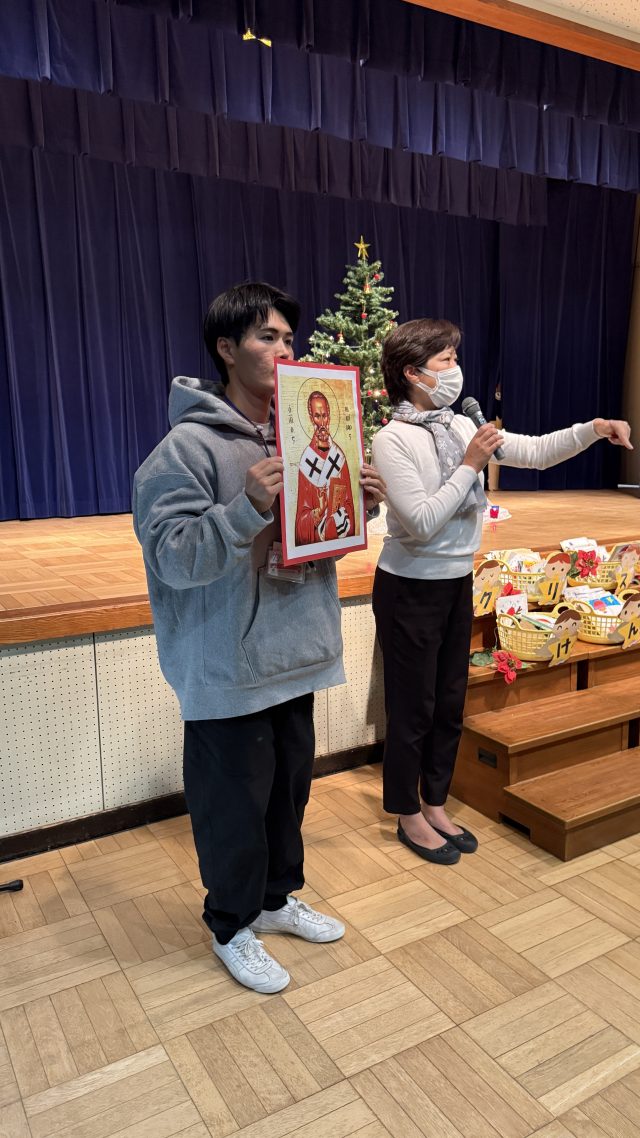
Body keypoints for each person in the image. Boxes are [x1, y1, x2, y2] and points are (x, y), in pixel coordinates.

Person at [133, 282, 385, 993]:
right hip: (229, 666)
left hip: (296, 652)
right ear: (226, 348)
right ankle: (230, 924)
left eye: (288, 338)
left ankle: (275, 900)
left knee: (287, 796)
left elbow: (314, 540)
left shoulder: (303, 435)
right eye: (266, 337)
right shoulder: (185, 449)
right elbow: (173, 557)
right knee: (232, 808)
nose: (284, 350)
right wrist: (245, 506)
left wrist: (352, 507)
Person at [371, 317, 633, 865]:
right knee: (413, 706)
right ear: (413, 373)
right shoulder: (392, 438)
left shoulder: (458, 425)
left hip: (455, 582)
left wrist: (593, 428)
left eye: (454, 357)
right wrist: (471, 465)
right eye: (445, 360)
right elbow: (421, 522)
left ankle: (435, 801)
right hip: (409, 587)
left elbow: (534, 451)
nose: (456, 369)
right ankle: (407, 812)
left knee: (449, 702)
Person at [295, 390, 355, 545]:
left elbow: (349, 503)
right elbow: (301, 521)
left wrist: (337, 517)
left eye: (324, 415)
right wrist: (319, 511)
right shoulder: (306, 461)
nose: (322, 422)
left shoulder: (339, 457)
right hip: (315, 543)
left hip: (337, 536)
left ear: (329, 416)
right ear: (311, 418)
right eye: (317, 416)